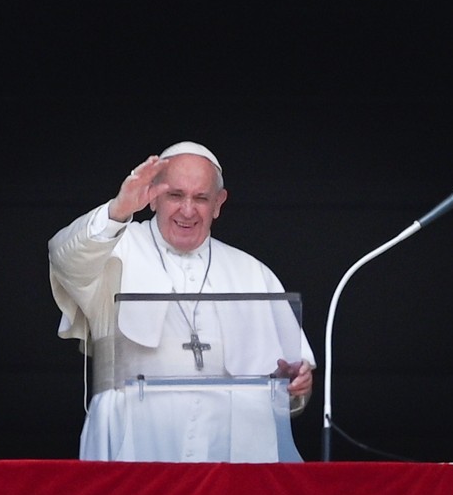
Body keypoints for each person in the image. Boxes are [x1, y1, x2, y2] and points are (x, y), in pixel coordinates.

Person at [49, 141, 316, 462]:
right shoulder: (112, 251)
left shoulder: (253, 272)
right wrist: (118, 209)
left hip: (229, 449)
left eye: (201, 198)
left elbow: (290, 392)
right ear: (153, 196)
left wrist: (294, 386)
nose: (187, 210)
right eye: (175, 195)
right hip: (134, 439)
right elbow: (64, 258)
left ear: (219, 203)